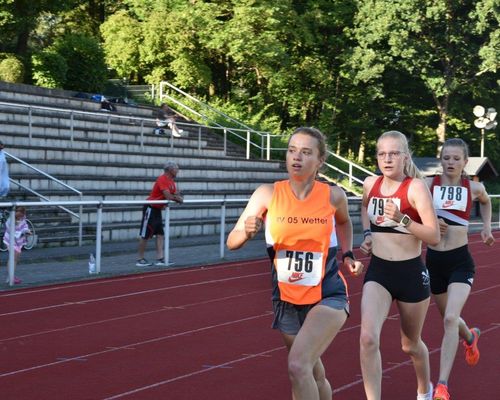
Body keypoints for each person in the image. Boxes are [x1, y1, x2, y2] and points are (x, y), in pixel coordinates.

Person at [227, 127, 364, 399]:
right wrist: (246, 231)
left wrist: (348, 253)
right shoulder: (267, 194)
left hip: (328, 294)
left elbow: (345, 222)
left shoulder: (332, 195)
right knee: (313, 373)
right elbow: (232, 241)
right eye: (291, 150)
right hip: (287, 299)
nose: (296, 157)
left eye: (305, 152)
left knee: (298, 366)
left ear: (320, 161)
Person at [359, 130, 440, 400]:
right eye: (382, 153)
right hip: (379, 272)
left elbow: (434, 236)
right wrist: (368, 235)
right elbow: (363, 210)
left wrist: (403, 220)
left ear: (405, 157)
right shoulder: (370, 183)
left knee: (411, 345)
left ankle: (424, 391)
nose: (387, 159)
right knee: (368, 338)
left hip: (411, 274)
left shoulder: (416, 187)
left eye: (393, 153)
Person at [424, 138, 495, 400]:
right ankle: (471, 336)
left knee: (450, 319)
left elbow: (486, 202)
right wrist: (430, 222)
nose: (451, 162)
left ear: (466, 162)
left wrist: (486, 227)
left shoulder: (474, 187)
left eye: (456, 159)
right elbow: (411, 209)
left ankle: (441, 385)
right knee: (451, 320)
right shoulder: (427, 186)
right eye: (446, 158)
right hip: (433, 262)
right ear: (440, 160)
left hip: (460, 262)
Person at [136, 162, 183, 267]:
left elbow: (178, 197)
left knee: (160, 234)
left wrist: (176, 197)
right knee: (145, 235)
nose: (178, 171)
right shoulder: (162, 179)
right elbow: (169, 196)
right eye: (176, 169)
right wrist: (176, 197)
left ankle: (160, 259)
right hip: (150, 208)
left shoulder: (171, 182)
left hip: (158, 209)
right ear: (170, 170)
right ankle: (140, 259)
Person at [3, 206, 31, 284]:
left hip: (18, 241)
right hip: (10, 240)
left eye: (22, 214)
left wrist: (27, 231)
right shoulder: (10, 221)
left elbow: (25, 226)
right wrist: (22, 233)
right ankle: (10, 276)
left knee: (16, 258)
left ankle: (11, 276)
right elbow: (12, 233)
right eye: (19, 214)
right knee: (12, 258)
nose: (21, 216)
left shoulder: (23, 218)